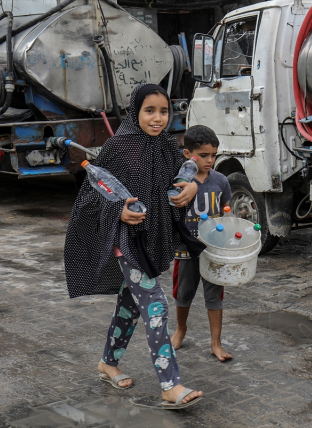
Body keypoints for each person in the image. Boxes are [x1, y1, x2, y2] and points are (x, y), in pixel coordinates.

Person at [64, 84, 205, 409]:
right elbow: (92, 194)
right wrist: (118, 210)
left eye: (164, 111)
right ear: (135, 112)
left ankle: (107, 363)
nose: (157, 118)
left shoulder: (170, 147)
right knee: (155, 304)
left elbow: (179, 181)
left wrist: (191, 188)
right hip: (124, 240)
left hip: (151, 238)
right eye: (149, 111)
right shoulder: (118, 147)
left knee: (129, 308)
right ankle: (171, 386)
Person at [170, 125, 233, 362]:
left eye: (213, 155)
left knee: (214, 295)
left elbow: (226, 210)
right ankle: (180, 330)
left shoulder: (221, 181)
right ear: (187, 154)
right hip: (185, 248)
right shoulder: (179, 180)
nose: (210, 160)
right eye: (203, 155)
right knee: (183, 292)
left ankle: (216, 343)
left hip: (212, 248)